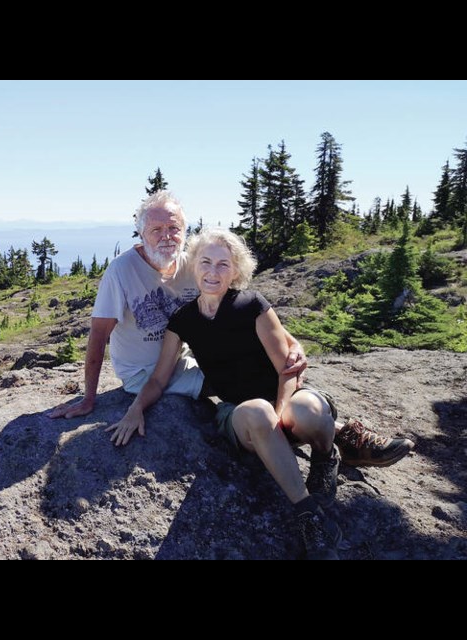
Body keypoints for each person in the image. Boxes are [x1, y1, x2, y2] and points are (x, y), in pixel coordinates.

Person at [105, 228, 412, 559]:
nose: (212, 272)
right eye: (205, 262)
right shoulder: (183, 321)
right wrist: (135, 408)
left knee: (309, 408)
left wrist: (281, 413)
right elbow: (158, 379)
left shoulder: (252, 306)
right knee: (257, 412)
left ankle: (327, 455)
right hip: (241, 415)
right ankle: (310, 516)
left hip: (282, 400)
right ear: (193, 265)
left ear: (236, 270)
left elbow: (288, 368)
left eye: (223, 264)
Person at [50, 190, 412, 469]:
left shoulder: (193, 264)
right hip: (148, 372)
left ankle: (322, 426)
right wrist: (89, 399)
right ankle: (337, 437)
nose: (166, 236)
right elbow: (98, 338)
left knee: (264, 360)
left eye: (173, 228)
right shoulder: (122, 272)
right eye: (156, 229)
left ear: (184, 231)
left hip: (191, 355)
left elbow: (247, 307)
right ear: (141, 231)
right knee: (243, 378)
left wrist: (291, 342)